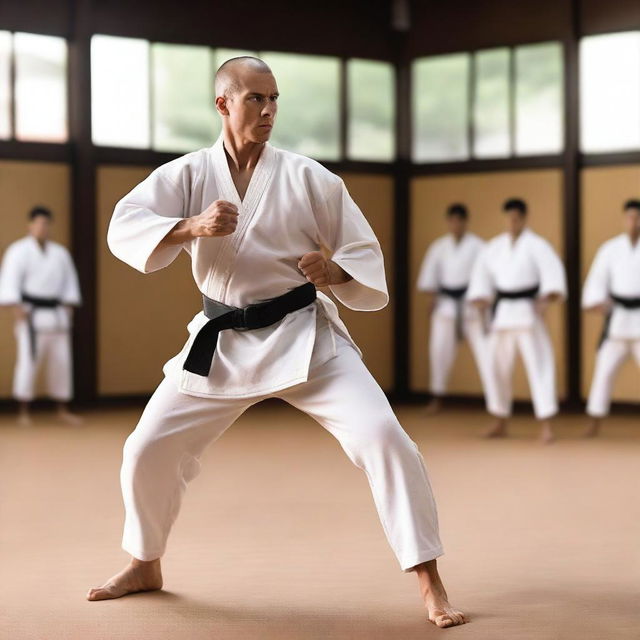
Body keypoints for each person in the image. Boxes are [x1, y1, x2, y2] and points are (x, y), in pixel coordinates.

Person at [86, 57, 465, 628]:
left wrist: (331, 273)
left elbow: (364, 254)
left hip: (303, 335)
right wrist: (191, 227)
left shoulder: (309, 177)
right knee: (144, 449)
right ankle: (145, 562)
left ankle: (429, 577)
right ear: (223, 104)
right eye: (255, 99)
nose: (267, 111)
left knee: (385, 436)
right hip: (222, 340)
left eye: (274, 99)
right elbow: (125, 224)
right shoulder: (189, 173)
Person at [467, 198, 566, 443]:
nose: (512, 222)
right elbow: (481, 280)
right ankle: (500, 420)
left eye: (516, 218)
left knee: (540, 366)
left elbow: (553, 277)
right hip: (502, 316)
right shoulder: (494, 247)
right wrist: (481, 301)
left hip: (528, 313)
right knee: (495, 366)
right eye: (508, 218)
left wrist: (546, 299)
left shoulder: (538, 245)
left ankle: (546, 425)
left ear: (524, 218)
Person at [0, 206, 82, 425]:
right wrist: (16, 308)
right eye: (38, 223)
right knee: (28, 362)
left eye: (46, 223)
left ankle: (62, 408)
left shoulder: (60, 253)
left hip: (57, 316)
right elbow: (10, 283)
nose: (42, 227)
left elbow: (70, 284)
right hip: (31, 316)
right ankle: (23, 410)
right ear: (30, 225)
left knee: (62, 363)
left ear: (49, 226)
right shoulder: (18, 251)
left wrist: (69, 305)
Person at [416, 203, 492, 414]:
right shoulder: (439, 247)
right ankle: (437, 397)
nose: (456, 224)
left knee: (486, 353)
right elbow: (429, 278)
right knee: (439, 352)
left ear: (465, 222)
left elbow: (487, 276)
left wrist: (484, 300)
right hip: (446, 305)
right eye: (452, 220)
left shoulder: (479, 246)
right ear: (449, 222)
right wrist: (432, 299)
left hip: (472, 305)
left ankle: (495, 401)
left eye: (460, 220)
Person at [582, 199, 640, 437]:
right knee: (603, 372)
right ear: (623, 218)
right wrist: (597, 301)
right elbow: (597, 280)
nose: (634, 222)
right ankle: (594, 422)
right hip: (617, 320)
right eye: (630, 217)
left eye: (638, 217)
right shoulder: (610, 249)